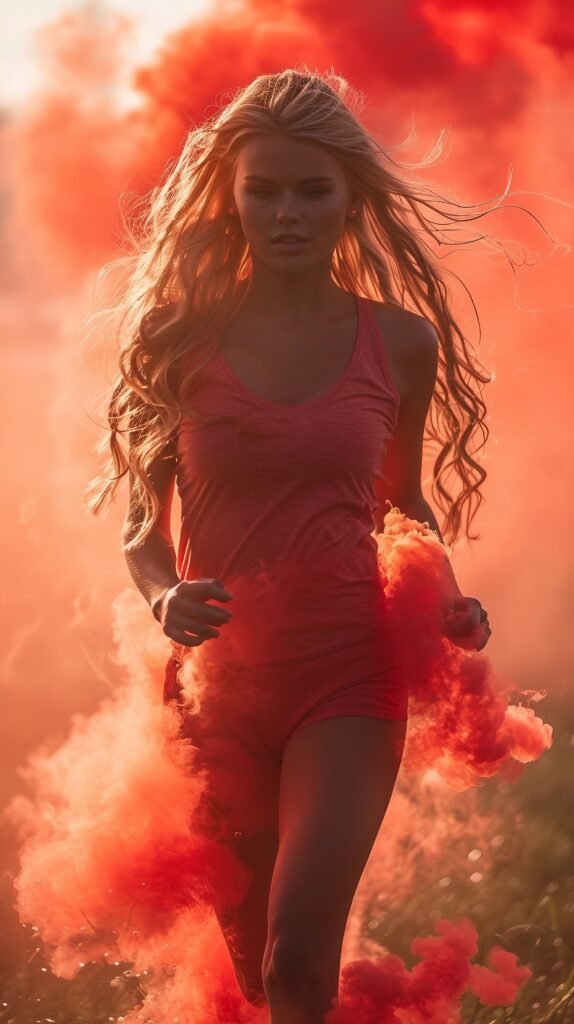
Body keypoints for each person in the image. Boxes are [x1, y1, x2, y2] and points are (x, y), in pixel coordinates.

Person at [88, 67, 492, 1023]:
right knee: (261, 980)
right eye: (263, 190)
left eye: (312, 190)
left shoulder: (400, 344)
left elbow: (405, 503)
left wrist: (447, 598)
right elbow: (144, 531)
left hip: (349, 672)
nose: (287, 213)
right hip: (216, 688)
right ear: (230, 196)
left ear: (351, 197)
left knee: (301, 950)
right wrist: (160, 598)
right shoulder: (177, 339)